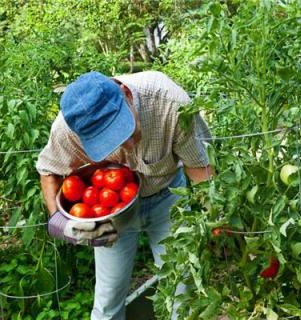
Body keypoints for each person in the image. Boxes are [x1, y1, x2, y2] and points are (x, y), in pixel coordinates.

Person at [36, 70, 213, 320]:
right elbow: (49, 170)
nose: (125, 146)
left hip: (168, 199)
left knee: (180, 287)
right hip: (110, 216)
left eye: (125, 131)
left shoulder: (170, 103)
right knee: (108, 300)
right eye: (107, 141)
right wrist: (59, 222)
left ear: (127, 95)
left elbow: (200, 169)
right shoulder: (67, 128)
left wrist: (213, 218)